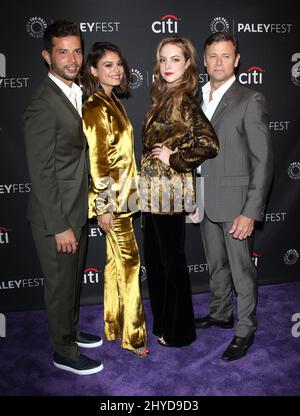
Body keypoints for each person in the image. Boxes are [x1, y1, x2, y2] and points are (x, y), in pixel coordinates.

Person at [23, 20, 103, 375]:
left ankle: (69, 331)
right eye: (62, 51)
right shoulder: (43, 105)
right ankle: (64, 351)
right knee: (59, 287)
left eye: (76, 50)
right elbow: (41, 174)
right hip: (56, 218)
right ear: (46, 56)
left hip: (76, 208)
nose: (71, 59)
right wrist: (59, 227)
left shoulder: (73, 91)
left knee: (70, 283)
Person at [193, 32, 273, 361]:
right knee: (216, 265)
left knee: (242, 271)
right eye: (213, 56)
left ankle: (245, 329)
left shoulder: (250, 99)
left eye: (226, 56)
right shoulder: (196, 98)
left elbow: (263, 160)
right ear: (204, 60)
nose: (219, 62)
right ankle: (221, 313)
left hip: (237, 203)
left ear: (236, 60)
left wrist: (250, 211)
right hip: (205, 199)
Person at [140, 37, 219, 348]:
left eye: (175, 59)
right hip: (151, 195)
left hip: (170, 195)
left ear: (188, 64)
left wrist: (174, 158)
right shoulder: (163, 96)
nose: (168, 66)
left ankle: (180, 331)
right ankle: (164, 324)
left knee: (171, 264)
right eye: (163, 60)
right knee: (158, 265)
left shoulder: (185, 101)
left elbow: (209, 143)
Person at [81, 42, 149, 358]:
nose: (116, 70)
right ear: (93, 71)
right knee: (131, 263)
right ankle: (134, 337)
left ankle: (113, 324)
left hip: (125, 197)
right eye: (108, 65)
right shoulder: (95, 107)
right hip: (114, 202)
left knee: (113, 263)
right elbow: (98, 161)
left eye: (119, 64)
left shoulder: (112, 101)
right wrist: (104, 207)